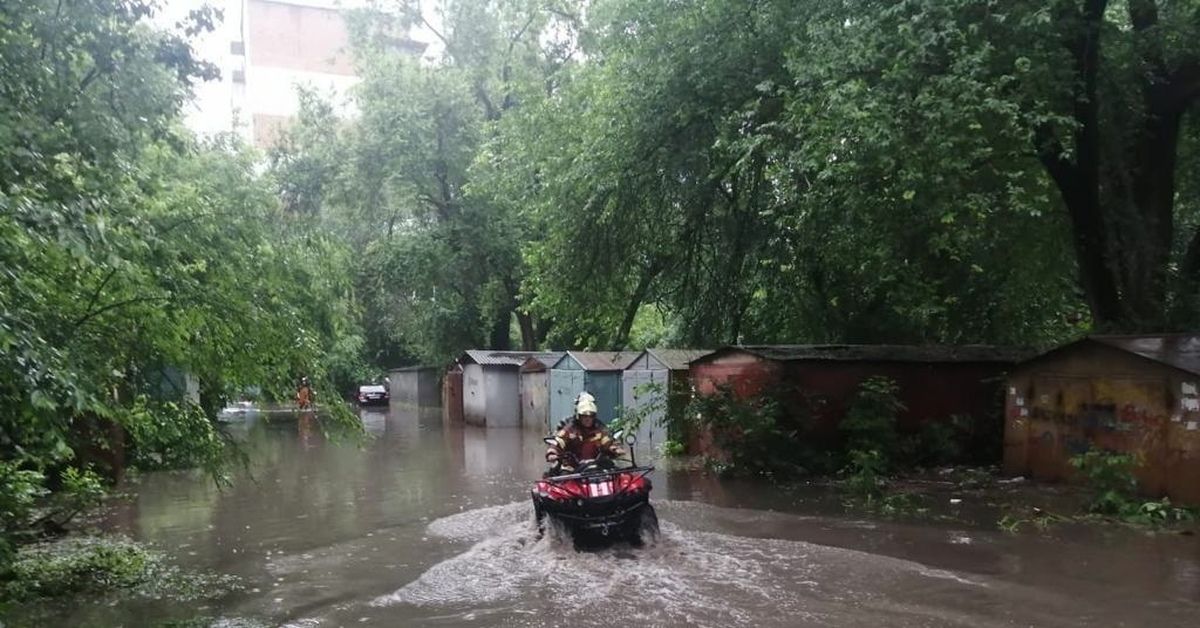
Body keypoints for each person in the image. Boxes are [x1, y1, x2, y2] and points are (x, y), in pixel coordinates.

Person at [545, 392, 625, 473]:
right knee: (561, 479)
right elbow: (559, 441)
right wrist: (552, 453)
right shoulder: (569, 428)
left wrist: (615, 449)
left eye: (591, 416)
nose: (588, 419)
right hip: (572, 468)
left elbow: (607, 441)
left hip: (596, 465)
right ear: (578, 415)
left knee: (617, 474)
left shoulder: (599, 427)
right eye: (584, 416)